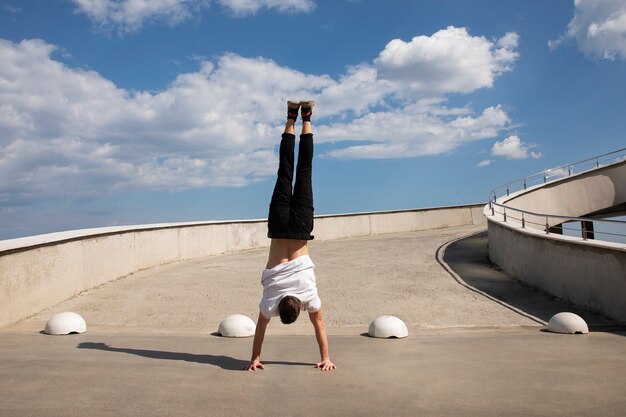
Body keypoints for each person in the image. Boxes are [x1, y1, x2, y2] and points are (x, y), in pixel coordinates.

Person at [245, 100, 336, 372]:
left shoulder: (308, 296)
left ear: (298, 308)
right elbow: (260, 328)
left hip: (300, 228)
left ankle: (306, 117)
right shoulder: (270, 301)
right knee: (285, 171)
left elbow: (318, 323)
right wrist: (254, 358)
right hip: (278, 224)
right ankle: (290, 117)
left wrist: (326, 357)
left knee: (304, 171)